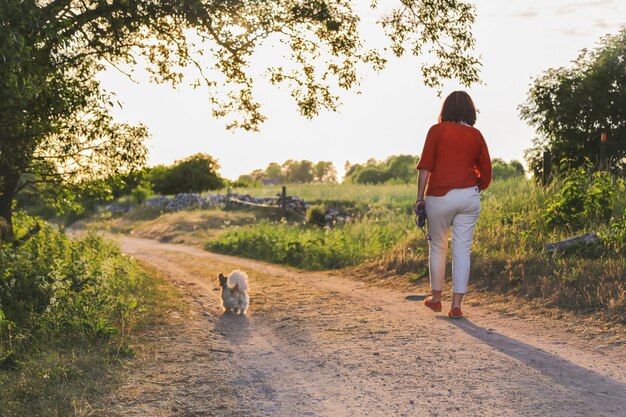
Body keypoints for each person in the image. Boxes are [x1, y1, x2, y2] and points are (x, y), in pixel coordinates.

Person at [414, 91, 492, 319]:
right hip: (469, 196)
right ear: (470, 111)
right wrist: (475, 187)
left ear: (445, 109)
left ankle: (436, 299)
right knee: (462, 251)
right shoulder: (476, 135)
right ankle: (456, 305)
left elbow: (425, 167)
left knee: (438, 247)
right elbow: (486, 172)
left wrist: (419, 198)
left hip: (439, 196)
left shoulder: (436, 131)